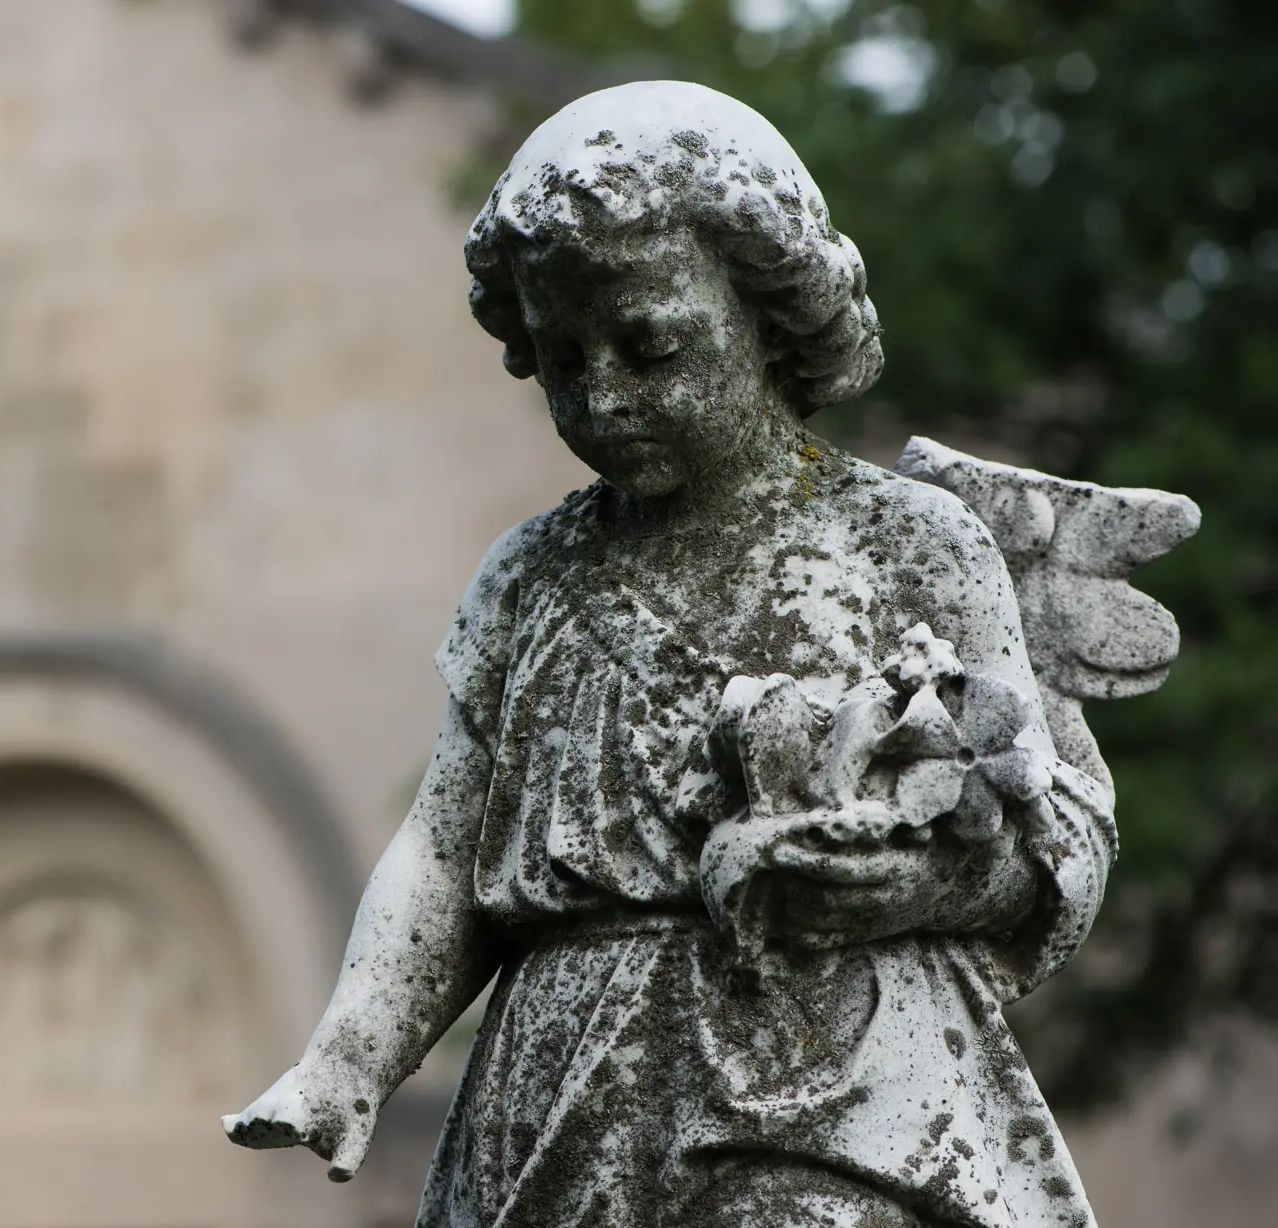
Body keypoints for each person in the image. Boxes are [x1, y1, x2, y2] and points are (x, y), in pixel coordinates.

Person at [224, 81, 1114, 1228]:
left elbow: (1050, 830)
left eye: (649, 345)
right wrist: (349, 1059)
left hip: (832, 1075)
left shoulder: (906, 541)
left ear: (769, 313)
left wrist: (911, 882)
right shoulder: (531, 575)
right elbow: (443, 851)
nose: (603, 396)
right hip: (561, 1100)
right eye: (560, 357)